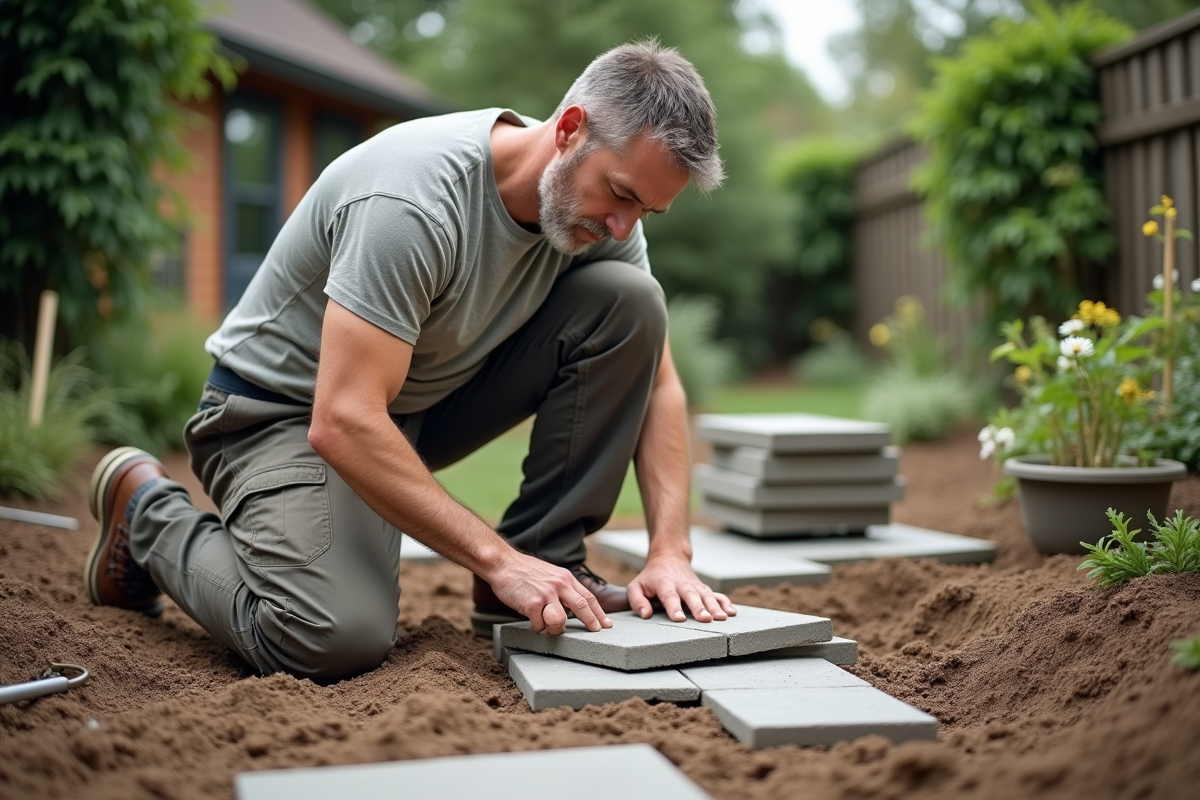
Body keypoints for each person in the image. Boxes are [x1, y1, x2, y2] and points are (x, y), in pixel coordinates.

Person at [85, 40, 736, 682]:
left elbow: (659, 385)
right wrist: (493, 558)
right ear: (570, 129)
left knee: (633, 303)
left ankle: (548, 569)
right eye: (621, 194)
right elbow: (341, 418)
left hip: (405, 409)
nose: (626, 226)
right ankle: (145, 511)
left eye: (646, 210)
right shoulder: (412, 203)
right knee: (332, 635)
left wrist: (670, 552)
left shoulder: (600, 220)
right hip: (274, 414)